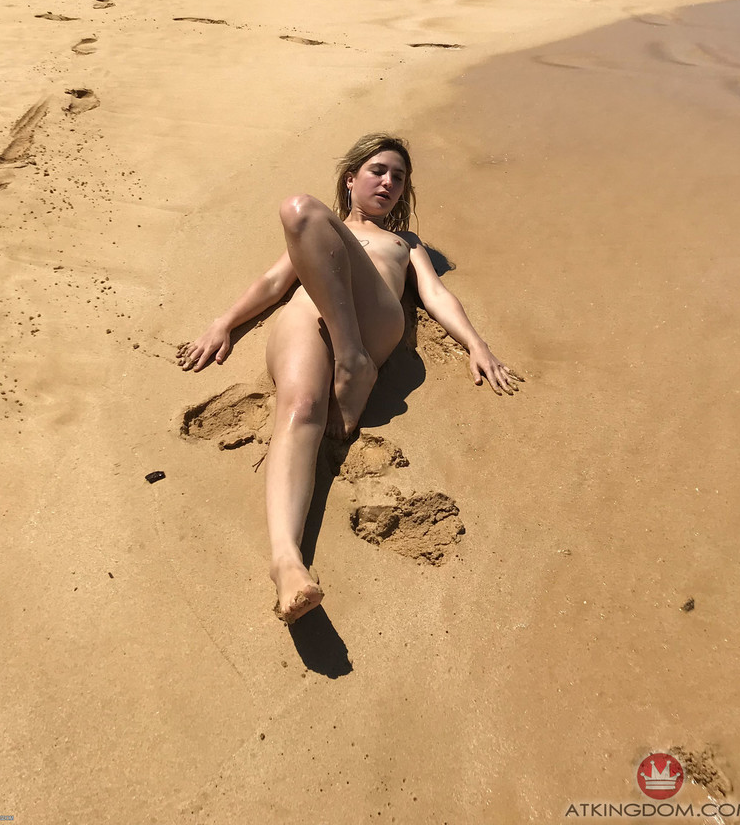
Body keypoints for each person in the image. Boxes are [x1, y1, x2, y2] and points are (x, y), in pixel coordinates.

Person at [177, 133, 522, 625]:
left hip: (373, 319)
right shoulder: (322, 231)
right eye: (378, 171)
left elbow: (435, 295)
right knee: (300, 409)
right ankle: (286, 562)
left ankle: (352, 355)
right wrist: (224, 322)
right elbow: (274, 283)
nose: (388, 183)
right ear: (350, 179)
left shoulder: (405, 243)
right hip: (309, 317)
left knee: (301, 209)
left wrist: (476, 344)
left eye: (398, 177)